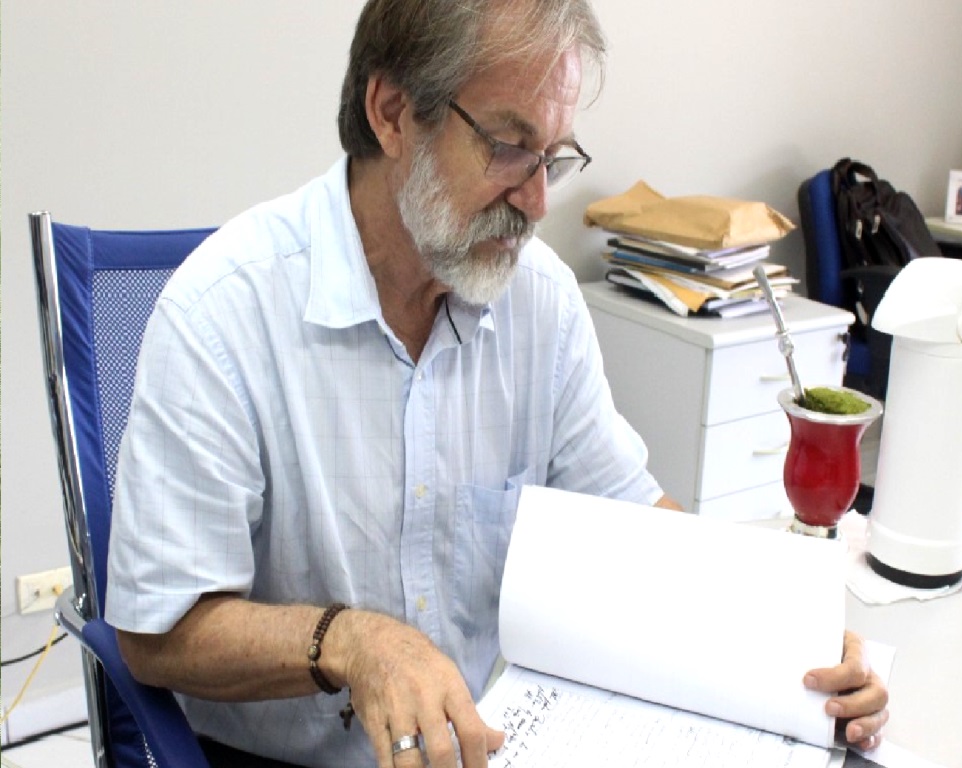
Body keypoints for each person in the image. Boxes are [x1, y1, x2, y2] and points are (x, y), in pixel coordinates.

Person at [105, 1, 889, 766]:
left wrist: (788, 638)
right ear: (392, 114)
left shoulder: (538, 299)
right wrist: (349, 642)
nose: (538, 201)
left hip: (492, 739)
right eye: (510, 148)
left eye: (553, 157)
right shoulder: (223, 313)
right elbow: (158, 633)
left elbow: (631, 518)